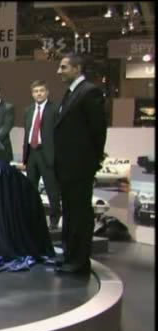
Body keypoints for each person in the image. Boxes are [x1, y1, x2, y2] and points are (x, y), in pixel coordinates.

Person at [53, 53, 107, 274]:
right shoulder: (71, 93)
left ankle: (79, 261)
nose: (59, 71)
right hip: (67, 167)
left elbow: (98, 130)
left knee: (80, 215)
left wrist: (92, 161)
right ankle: (69, 255)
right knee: (70, 213)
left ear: (77, 69)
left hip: (80, 167)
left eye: (63, 67)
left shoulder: (89, 92)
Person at [23, 80, 61, 230]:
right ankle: (32, 218)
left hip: (47, 154)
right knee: (31, 190)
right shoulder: (28, 110)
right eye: (36, 91)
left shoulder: (55, 109)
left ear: (47, 92)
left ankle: (54, 219)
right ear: (32, 94)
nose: (38, 93)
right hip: (31, 153)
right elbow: (27, 132)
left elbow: (59, 134)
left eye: (41, 91)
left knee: (52, 189)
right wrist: (25, 155)